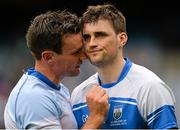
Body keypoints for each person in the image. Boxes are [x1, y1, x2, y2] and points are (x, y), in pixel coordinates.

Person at [71, 4, 178, 129]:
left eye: (100, 35)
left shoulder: (150, 86)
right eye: (86, 37)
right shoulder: (78, 95)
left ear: (122, 39)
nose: (92, 43)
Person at [4, 10, 109, 129]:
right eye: (75, 53)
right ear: (49, 57)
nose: (84, 57)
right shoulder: (34, 97)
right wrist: (95, 118)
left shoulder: (56, 88)